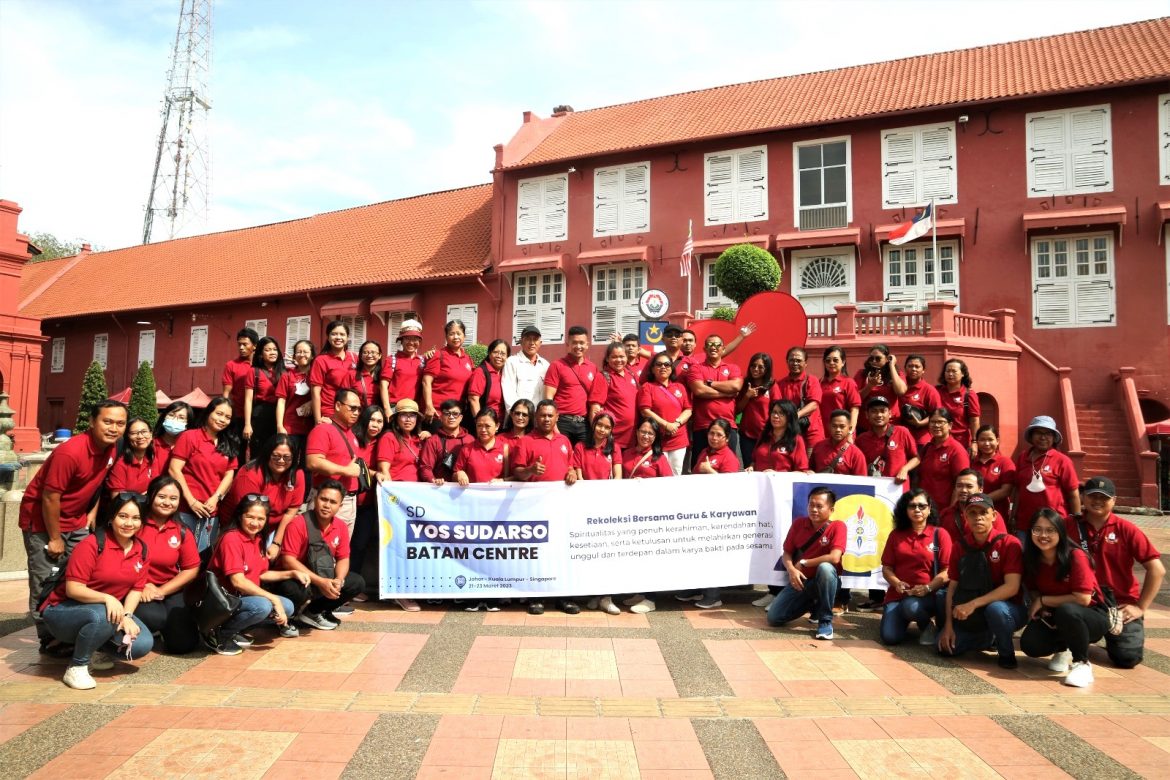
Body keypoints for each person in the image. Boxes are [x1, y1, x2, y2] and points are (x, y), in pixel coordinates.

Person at [21, 399, 127, 653]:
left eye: (120, 423)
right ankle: (48, 639)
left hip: (76, 520)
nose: (114, 428)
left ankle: (72, 629)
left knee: (82, 576)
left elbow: (97, 483)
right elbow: (50, 497)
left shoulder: (112, 448)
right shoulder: (70, 452)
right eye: (107, 421)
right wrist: (55, 537)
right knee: (45, 580)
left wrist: (91, 512)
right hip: (44, 522)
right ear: (92, 422)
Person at [40, 493, 153, 689]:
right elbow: (73, 589)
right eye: (123, 516)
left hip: (105, 611)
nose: (129, 523)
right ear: (111, 517)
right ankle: (77, 666)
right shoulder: (91, 544)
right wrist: (108, 598)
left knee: (142, 643)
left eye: (136, 518)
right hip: (62, 610)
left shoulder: (141, 550)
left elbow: (136, 588)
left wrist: (127, 615)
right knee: (103, 616)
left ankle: (95, 650)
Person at [1067, 476, 1164, 669]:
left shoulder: (1126, 529)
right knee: (1044, 640)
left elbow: (1157, 570)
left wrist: (1140, 607)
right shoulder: (1068, 525)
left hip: (1119, 604)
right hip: (1084, 601)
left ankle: (1104, 636)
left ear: (1114, 500)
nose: (1097, 501)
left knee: (1127, 658)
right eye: (1092, 496)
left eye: (1104, 497)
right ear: (1083, 497)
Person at [204, 495, 307, 655]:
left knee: (287, 606)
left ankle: (235, 629)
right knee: (263, 606)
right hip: (223, 600)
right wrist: (273, 599)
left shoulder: (257, 538)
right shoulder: (231, 538)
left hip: (241, 598)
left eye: (260, 519)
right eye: (250, 517)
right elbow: (238, 582)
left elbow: (261, 574)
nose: (255, 523)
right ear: (240, 516)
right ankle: (219, 634)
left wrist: (291, 573)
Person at [1020, 508, 1106, 687]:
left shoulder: (1076, 556)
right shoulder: (1032, 559)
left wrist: (1043, 601)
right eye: (1037, 530)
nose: (1043, 535)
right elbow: (1033, 589)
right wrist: (1041, 605)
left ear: (1060, 531)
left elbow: (1083, 599)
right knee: (1030, 645)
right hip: (1055, 615)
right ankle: (1062, 648)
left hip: (1090, 615)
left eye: (1050, 530)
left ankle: (1082, 663)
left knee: (1067, 611)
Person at [937, 494, 1025, 669]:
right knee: (944, 648)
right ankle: (986, 638)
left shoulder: (1009, 543)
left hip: (1008, 609)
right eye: (973, 513)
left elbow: (1012, 587)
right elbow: (952, 587)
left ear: (994, 515)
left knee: (996, 609)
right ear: (966, 517)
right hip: (975, 612)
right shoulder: (960, 546)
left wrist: (973, 604)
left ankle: (1006, 653)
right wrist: (948, 626)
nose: (978, 517)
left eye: (983, 512)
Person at [512, 401, 579, 615]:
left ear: (557, 417)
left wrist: (572, 472)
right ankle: (536, 597)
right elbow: (517, 472)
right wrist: (530, 470)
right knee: (538, 553)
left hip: (561, 506)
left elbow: (570, 465)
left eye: (550, 415)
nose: (546, 419)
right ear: (536, 418)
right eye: (542, 415)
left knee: (562, 551)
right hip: (535, 507)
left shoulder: (564, 441)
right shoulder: (525, 441)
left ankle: (564, 598)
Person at [273, 481, 366, 630]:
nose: (327, 505)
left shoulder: (341, 526)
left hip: (322, 574)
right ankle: (287, 619)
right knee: (293, 589)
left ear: (340, 506)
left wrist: (338, 580)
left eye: (333, 502)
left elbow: (343, 558)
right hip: (295, 577)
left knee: (356, 583)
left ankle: (312, 612)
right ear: (316, 499)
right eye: (323, 499)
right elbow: (288, 561)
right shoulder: (297, 523)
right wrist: (321, 582)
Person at [766, 487, 846, 640]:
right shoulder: (799, 524)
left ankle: (825, 621)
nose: (814, 509)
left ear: (831, 510)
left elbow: (834, 558)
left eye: (819, 506)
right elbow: (787, 553)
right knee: (774, 618)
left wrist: (804, 562)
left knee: (825, 568)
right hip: (801, 582)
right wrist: (791, 570)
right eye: (811, 505)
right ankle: (815, 605)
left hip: (827, 581)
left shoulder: (838, 526)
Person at [135, 476, 200, 654]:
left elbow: (191, 569)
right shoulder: (135, 524)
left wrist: (161, 591)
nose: (167, 502)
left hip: (168, 588)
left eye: (173, 498)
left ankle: (166, 631)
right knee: (155, 618)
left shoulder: (181, 530)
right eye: (161, 496)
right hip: (136, 588)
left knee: (184, 645)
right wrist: (142, 586)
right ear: (150, 496)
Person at [679, 418, 740, 610]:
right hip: (700, 511)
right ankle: (696, 588)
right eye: (711, 433)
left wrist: (710, 470)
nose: (714, 437)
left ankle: (713, 596)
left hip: (718, 515)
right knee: (697, 552)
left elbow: (732, 488)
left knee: (712, 554)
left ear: (727, 438)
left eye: (718, 435)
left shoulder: (729, 457)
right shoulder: (704, 452)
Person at [879, 490, 951, 646]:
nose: (917, 510)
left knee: (910, 606)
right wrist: (897, 583)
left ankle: (928, 625)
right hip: (898, 595)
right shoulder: (896, 535)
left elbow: (947, 571)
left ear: (929, 509)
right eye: (912, 506)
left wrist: (928, 587)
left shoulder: (940, 534)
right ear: (905, 510)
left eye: (922, 506)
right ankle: (906, 619)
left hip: (929, 595)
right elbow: (886, 568)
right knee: (890, 637)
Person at [169, 397, 240, 553]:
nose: (222, 420)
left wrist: (216, 498)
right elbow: (174, 469)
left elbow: (229, 474)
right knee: (181, 554)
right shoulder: (190, 436)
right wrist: (191, 501)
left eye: (227, 417)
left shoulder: (229, 441)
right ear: (209, 413)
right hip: (186, 508)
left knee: (204, 555)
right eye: (219, 414)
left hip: (211, 511)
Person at [220, 434, 304, 560]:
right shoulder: (250, 474)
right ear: (267, 454)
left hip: (273, 528)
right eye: (276, 456)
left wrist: (276, 543)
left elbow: (291, 511)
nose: (281, 461)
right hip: (243, 525)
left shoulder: (297, 475)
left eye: (287, 457)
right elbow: (249, 516)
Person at [619, 419, 671, 614]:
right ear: (637, 432)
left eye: (650, 433)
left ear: (655, 437)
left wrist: (647, 486)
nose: (646, 436)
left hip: (650, 515)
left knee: (650, 556)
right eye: (643, 431)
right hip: (630, 512)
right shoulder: (627, 453)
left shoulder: (660, 458)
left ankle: (651, 598)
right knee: (636, 555)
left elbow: (669, 486)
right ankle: (640, 592)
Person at [305, 388, 364, 534]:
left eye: (359, 409)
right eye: (352, 408)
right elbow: (313, 462)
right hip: (327, 500)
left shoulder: (351, 434)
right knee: (321, 547)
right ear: (338, 406)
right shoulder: (323, 430)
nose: (356, 412)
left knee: (342, 547)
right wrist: (345, 470)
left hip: (349, 501)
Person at [1011, 415, 1080, 538]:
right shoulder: (1022, 457)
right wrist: (1013, 516)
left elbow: (1073, 494)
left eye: (1048, 434)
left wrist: (1076, 523)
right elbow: (1018, 489)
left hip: (1053, 524)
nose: (1043, 437)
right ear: (1031, 436)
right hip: (1024, 524)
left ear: (1054, 438)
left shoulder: (1062, 460)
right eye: (1038, 433)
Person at [347, 405, 386, 600]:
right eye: (372, 420)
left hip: (369, 503)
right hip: (349, 499)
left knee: (360, 545)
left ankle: (352, 587)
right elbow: (354, 466)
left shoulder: (383, 442)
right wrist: (374, 473)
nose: (375, 425)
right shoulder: (352, 438)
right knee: (344, 544)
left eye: (380, 421)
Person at [687, 334, 743, 467]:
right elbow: (699, 391)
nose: (714, 347)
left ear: (723, 349)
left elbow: (736, 386)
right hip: (703, 426)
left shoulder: (733, 368)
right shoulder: (696, 368)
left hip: (728, 426)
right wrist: (727, 393)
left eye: (718, 345)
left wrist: (710, 383)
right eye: (710, 344)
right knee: (699, 467)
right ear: (704, 349)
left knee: (728, 468)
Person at [543, 325, 605, 445]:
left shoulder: (592, 367)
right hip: (562, 421)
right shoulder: (557, 365)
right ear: (568, 345)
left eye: (581, 343)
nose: (578, 346)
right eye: (574, 343)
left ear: (587, 345)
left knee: (584, 455)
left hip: (584, 423)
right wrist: (553, 425)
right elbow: (548, 398)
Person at [637, 354, 692, 475]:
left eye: (667, 364)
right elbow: (645, 411)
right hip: (657, 439)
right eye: (659, 364)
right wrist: (666, 425)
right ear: (652, 369)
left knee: (676, 473)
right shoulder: (647, 387)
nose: (663, 367)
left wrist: (676, 424)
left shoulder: (680, 387)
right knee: (659, 474)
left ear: (671, 368)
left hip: (678, 439)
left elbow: (688, 410)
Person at [422, 319, 474, 430]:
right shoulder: (438, 355)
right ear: (446, 337)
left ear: (464, 336)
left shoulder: (468, 359)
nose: (456, 337)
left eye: (459, 333)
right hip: (438, 413)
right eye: (452, 334)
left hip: (457, 414)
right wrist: (429, 406)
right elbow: (426, 382)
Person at [855, 396, 920, 485]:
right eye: (874, 411)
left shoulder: (902, 432)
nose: (879, 415)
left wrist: (904, 469)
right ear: (867, 415)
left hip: (898, 486)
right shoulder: (861, 439)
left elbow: (916, 458)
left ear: (889, 414)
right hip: (873, 487)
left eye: (882, 411)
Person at [915, 408, 970, 511]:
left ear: (950, 425)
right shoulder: (927, 448)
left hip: (943, 511)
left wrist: (950, 512)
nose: (936, 425)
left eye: (941, 422)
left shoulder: (957, 450)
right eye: (933, 422)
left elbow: (961, 486)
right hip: (924, 509)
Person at [275, 339, 316, 474]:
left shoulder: (316, 375)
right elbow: (281, 401)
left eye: (305, 352)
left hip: (311, 427)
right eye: (299, 352)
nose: (302, 354)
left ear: (312, 355)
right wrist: (280, 426)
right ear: (294, 356)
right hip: (291, 427)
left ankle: (304, 487)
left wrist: (312, 402)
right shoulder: (287, 376)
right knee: (289, 463)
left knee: (307, 466)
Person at [939, 469, 1009, 545]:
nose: (963, 490)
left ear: (980, 489)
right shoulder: (945, 514)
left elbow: (1002, 544)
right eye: (959, 486)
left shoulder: (991, 515)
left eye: (969, 486)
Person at [772, 346, 824, 449]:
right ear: (787, 362)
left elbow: (814, 404)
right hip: (789, 434)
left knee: (811, 459)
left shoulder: (812, 380)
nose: (795, 363)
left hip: (811, 433)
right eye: (792, 360)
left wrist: (796, 415)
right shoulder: (780, 384)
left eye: (798, 360)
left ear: (805, 363)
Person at [309, 320, 358, 425]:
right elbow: (315, 393)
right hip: (330, 414)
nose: (338, 337)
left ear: (347, 337)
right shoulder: (321, 360)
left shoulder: (354, 358)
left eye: (342, 334)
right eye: (334, 334)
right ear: (328, 337)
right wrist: (318, 420)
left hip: (352, 413)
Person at [243, 335, 284, 457]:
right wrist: (247, 424)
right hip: (260, 415)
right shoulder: (254, 372)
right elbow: (248, 400)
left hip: (281, 415)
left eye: (275, 349)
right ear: (260, 354)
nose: (272, 352)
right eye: (268, 350)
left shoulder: (284, 371)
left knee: (277, 451)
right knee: (259, 452)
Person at [420, 399, 475, 484]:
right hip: (441, 488)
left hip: (466, 488)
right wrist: (433, 480)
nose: (451, 417)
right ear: (441, 417)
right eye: (447, 413)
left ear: (461, 418)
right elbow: (425, 467)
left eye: (455, 414)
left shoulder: (470, 440)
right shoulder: (433, 440)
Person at [597, 342, 639, 452]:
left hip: (633, 438)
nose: (619, 360)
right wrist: (598, 437)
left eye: (622, 356)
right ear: (607, 359)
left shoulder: (632, 375)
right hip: (613, 438)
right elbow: (595, 408)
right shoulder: (603, 377)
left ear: (627, 357)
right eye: (614, 357)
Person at [854, 345, 906, 430]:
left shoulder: (896, 374)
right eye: (871, 358)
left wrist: (891, 366)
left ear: (887, 359)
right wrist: (870, 386)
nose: (874, 361)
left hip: (891, 424)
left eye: (878, 358)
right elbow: (855, 398)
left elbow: (900, 391)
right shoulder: (862, 374)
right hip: (866, 425)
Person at [735, 352, 774, 469]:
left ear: (767, 369)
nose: (756, 369)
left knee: (765, 468)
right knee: (749, 469)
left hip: (767, 436)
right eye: (753, 365)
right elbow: (737, 410)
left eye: (760, 367)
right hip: (747, 436)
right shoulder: (744, 384)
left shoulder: (772, 386)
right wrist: (747, 396)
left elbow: (777, 409)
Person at [749, 400, 810, 473]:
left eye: (781, 413)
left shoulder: (797, 440)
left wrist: (777, 475)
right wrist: (751, 467)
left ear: (789, 417)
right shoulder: (764, 435)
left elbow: (802, 471)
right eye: (774, 412)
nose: (775, 416)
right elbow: (754, 460)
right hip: (760, 479)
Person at [222, 327, 259, 442]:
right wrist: (224, 414)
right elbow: (226, 394)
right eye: (239, 344)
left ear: (255, 346)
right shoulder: (231, 365)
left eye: (245, 344)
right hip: (238, 416)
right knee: (237, 449)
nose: (241, 348)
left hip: (259, 416)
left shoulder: (263, 365)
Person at [380, 319, 426, 413]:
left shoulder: (423, 361)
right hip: (395, 407)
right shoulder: (392, 360)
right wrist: (387, 409)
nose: (411, 342)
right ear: (401, 340)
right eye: (407, 338)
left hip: (415, 408)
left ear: (419, 341)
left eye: (415, 339)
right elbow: (383, 385)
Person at [501, 325, 550, 412]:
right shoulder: (512, 362)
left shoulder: (545, 365)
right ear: (521, 342)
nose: (532, 343)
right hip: (520, 415)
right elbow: (508, 392)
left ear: (540, 343)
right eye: (528, 339)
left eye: (535, 339)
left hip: (540, 415)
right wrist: (516, 413)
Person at [937, 358, 980, 455]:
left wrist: (974, 442)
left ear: (962, 374)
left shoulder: (969, 395)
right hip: (938, 441)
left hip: (961, 442)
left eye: (954, 371)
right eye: (947, 371)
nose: (950, 374)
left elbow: (974, 420)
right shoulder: (936, 391)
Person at [376, 398, 425, 483]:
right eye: (404, 415)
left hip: (418, 487)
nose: (408, 420)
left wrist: (429, 439)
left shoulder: (419, 438)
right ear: (396, 418)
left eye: (412, 416)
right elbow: (383, 470)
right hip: (397, 487)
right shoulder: (389, 437)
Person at [106, 417, 158, 496]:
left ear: (151, 435)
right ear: (127, 437)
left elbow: (156, 488)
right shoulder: (121, 465)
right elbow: (116, 498)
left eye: (144, 432)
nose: (140, 436)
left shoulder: (152, 459)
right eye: (134, 433)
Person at [973, 425, 1015, 519]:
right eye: (982, 440)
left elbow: (1006, 490)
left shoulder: (1005, 462)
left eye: (990, 439)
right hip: (974, 513)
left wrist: (981, 500)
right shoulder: (971, 461)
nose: (986, 443)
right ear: (977, 442)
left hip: (997, 514)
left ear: (997, 441)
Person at [899, 354, 941, 445]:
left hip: (920, 438)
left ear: (923, 370)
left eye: (917, 366)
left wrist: (920, 423)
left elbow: (937, 414)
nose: (913, 369)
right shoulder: (898, 386)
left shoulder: (929, 390)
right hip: (899, 437)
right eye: (910, 366)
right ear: (905, 368)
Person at [819, 346, 860, 436]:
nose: (831, 363)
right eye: (828, 360)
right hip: (823, 432)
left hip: (842, 432)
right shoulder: (819, 383)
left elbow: (855, 409)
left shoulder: (848, 382)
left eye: (835, 360)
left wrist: (850, 432)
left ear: (843, 362)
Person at [810, 410, 866, 475]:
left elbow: (861, 480)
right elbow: (810, 470)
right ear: (829, 426)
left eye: (842, 426)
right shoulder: (818, 447)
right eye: (834, 426)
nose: (838, 430)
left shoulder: (856, 454)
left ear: (849, 428)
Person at [574, 410, 622, 481]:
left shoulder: (615, 448)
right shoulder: (579, 447)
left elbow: (618, 476)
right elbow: (579, 477)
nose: (602, 430)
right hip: (585, 487)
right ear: (593, 424)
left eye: (607, 427)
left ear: (611, 430)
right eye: (599, 425)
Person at [468, 339, 509, 420]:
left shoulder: (506, 373)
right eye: (495, 352)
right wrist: (480, 422)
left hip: (501, 423)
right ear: (489, 354)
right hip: (485, 422)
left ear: (507, 357)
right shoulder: (480, 372)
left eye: (503, 353)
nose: (499, 356)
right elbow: (473, 399)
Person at [152, 400, 193, 471]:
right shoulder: (151, 444)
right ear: (164, 417)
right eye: (171, 415)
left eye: (181, 417)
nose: (175, 420)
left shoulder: (191, 447)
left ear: (187, 424)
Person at [353, 340, 384, 410]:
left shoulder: (384, 375)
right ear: (360, 356)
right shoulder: (352, 374)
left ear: (379, 355)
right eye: (365, 352)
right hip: (358, 414)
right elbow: (344, 396)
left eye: (373, 352)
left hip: (379, 415)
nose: (369, 355)